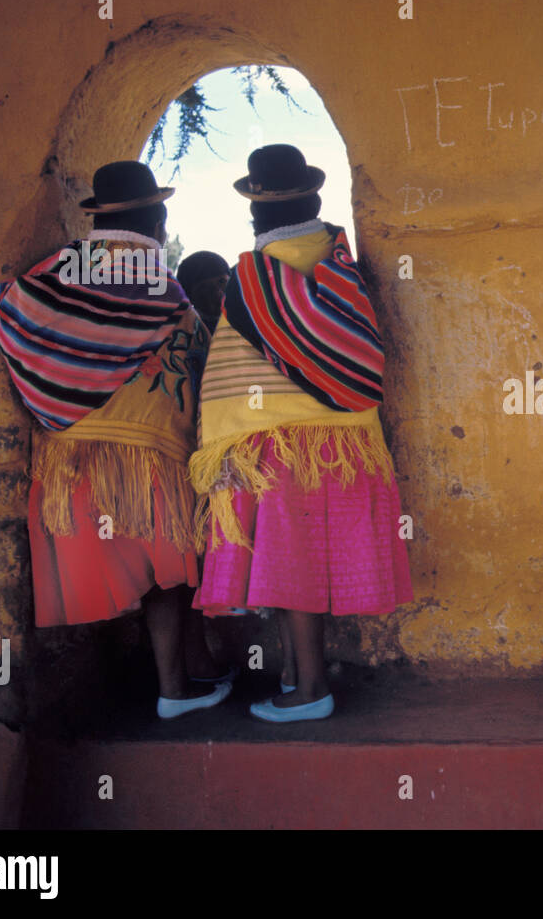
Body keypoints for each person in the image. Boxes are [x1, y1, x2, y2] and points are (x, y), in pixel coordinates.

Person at [0, 160, 230, 719]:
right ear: (158, 222)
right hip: (143, 454)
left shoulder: (56, 272)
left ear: (98, 219)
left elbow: (9, 309)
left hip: (68, 457)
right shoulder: (163, 286)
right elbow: (197, 363)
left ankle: (184, 677)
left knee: (141, 571)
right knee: (167, 575)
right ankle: (176, 689)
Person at [189, 144, 412, 723]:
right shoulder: (345, 273)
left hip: (271, 447)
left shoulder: (248, 280)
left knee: (288, 575)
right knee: (309, 567)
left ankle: (311, 690)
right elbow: (357, 364)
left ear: (256, 214)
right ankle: (294, 676)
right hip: (345, 447)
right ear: (315, 200)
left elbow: (228, 379)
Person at [176, 251, 230, 335]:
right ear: (189, 297)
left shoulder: (246, 321)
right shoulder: (186, 332)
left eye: (222, 282)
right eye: (206, 288)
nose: (218, 293)